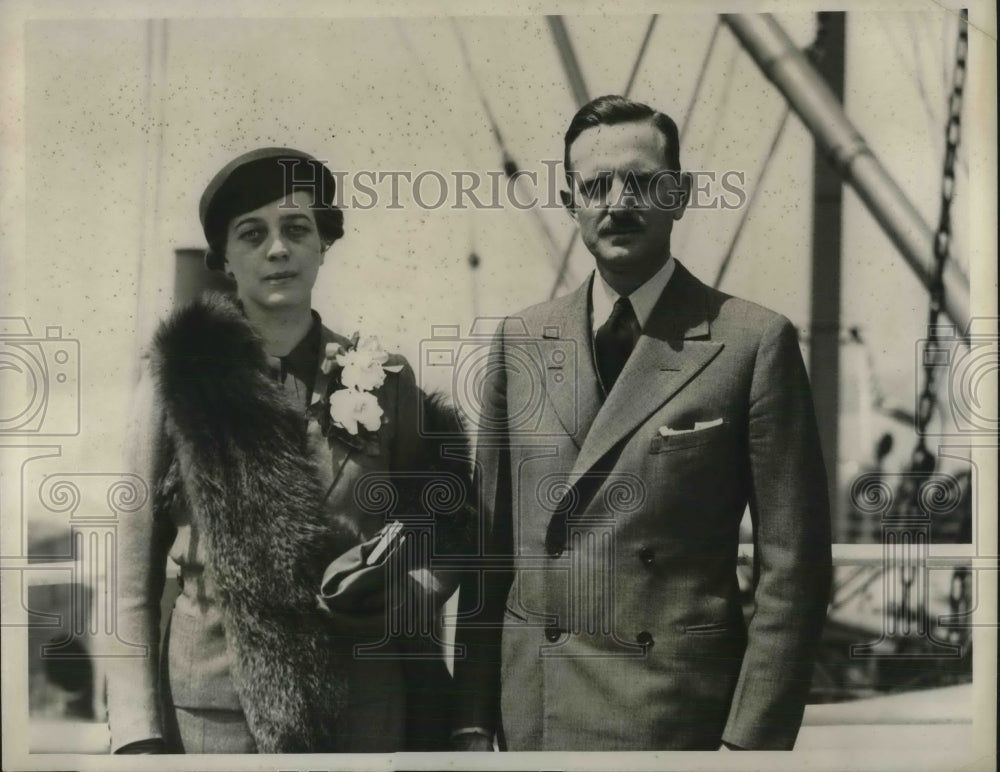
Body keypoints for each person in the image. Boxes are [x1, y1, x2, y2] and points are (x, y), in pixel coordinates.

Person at [452, 95, 833, 751]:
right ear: (570, 201)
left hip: (679, 724)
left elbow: (794, 569)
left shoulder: (751, 343)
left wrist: (751, 743)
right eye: (595, 185)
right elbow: (489, 555)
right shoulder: (520, 339)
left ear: (680, 194)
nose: (618, 201)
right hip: (537, 717)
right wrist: (470, 719)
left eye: (643, 181)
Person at [108, 147, 470, 754]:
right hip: (217, 715)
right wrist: (137, 733)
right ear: (223, 257)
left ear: (323, 243)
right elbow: (131, 582)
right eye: (253, 234)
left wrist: (410, 592)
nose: (277, 250)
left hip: (363, 705)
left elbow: (451, 527)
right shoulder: (178, 383)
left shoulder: (384, 380)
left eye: (297, 229)